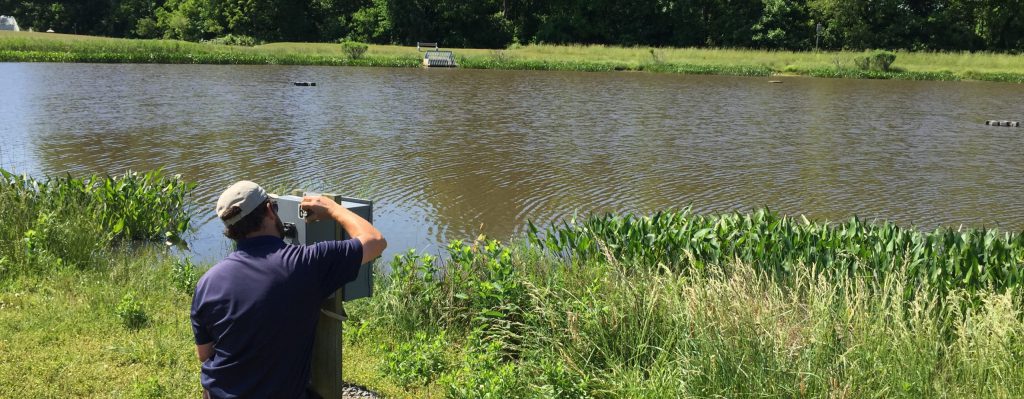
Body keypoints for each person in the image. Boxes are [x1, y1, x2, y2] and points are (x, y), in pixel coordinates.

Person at [191, 181, 386, 399]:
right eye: (274, 205)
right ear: (269, 211)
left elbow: (204, 353)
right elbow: (375, 241)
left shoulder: (207, 282)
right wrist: (333, 208)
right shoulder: (306, 264)